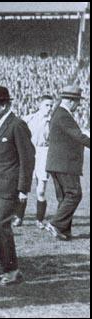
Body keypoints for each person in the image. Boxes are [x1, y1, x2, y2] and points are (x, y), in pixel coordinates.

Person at [0, 86, 35, 285]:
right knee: (0, 228)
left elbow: (27, 158)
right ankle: (9, 269)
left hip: (9, 187)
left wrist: (23, 188)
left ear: (4, 105)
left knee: (0, 225)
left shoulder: (17, 125)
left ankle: (12, 270)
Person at [45, 85, 90, 241]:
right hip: (65, 164)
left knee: (64, 197)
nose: (78, 105)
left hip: (57, 163)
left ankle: (64, 230)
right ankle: (56, 224)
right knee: (74, 194)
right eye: (78, 102)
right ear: (71, 101)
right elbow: (78, 136)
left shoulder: (59, 113)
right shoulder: (63, 115)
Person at [19, 95, 54, 229]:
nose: (49, 108)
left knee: (40, 190)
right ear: (40, 105)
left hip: (44, 152)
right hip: (28, 152)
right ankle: (19, 217)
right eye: (47, 105)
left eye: (51, 105)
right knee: (23, 188)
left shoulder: (52, 121)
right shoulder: (28, 119)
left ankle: (39, 219)